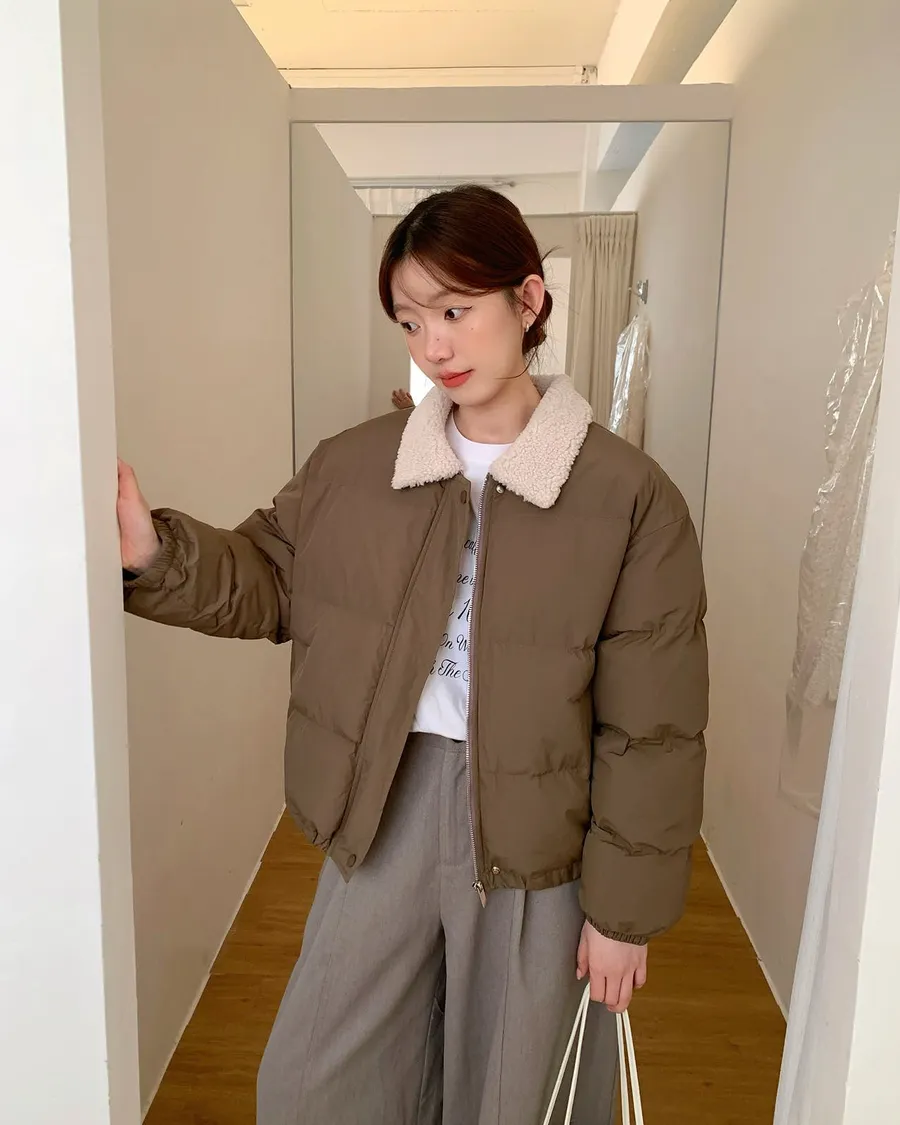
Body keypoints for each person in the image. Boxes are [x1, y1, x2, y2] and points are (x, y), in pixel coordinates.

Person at [117, 184, 708, 1125]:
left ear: (528, 300)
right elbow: (269, 576)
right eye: (410, 319)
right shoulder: (356, 467)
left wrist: (623, 914)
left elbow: (653, 724)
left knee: (515, 1094)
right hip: (384, 801)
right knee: (312, 1086)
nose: (434, 344)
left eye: (454, 310)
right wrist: (156, 552)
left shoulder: (627, 495)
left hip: (538, 830)